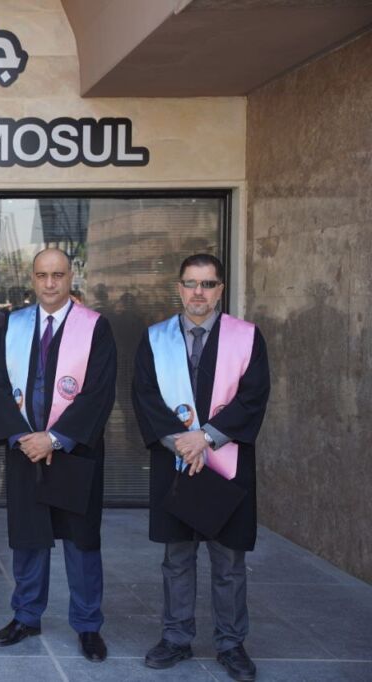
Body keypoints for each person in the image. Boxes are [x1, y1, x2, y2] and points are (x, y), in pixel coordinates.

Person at [132, 254, 270, 682]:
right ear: (179, 288)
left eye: (208, 284)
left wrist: (205, 438)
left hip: (227, 463)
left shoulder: (246, 337)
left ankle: (231, 643)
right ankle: (176, 637)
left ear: (220, 290)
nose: (198, 292)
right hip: (175, 461)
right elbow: (144, 396)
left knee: (228, 560)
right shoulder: (155, 338)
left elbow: (253, 396)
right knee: (177, 557)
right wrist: (182, 443)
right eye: (191, 283)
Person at [0, 248, 117, 663]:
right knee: (29, 539)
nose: (49, 283)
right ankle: (26, 616)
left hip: (74, 452)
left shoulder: (95, 327)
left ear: (70, 276)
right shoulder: (12, 324)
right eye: (42, 275)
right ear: (32, 277)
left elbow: (99, 392)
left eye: (57, 275)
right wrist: (20, 436)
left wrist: (56, 438)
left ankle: (88, 625)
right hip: (26, 450)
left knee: (81, 543)